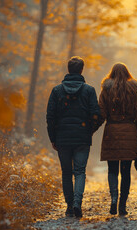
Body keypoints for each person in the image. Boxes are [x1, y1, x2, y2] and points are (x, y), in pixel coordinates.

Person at [46, 56, 101, 218]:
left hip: (62, 138)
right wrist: (90, 130)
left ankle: (69, 206)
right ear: (81, 70)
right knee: (80, 171)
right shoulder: (89, 90)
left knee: (66, 172)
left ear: (68, 69)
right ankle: (77, 202)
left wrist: (53, 138)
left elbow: (50, 117)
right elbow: (96, 114)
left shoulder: (57, 91)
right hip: (82, 137)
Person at [98, 63, 137, 216]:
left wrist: (89, 130)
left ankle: (113, 198)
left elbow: (101, 114)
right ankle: (122, 206)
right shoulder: (134, 91)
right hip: (130, 133)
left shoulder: (105, 91)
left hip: (111, 134)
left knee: (112, 170)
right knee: (125, 172)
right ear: (127, 73)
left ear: (111, 74)